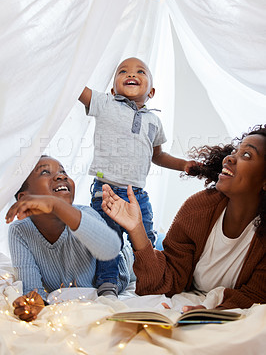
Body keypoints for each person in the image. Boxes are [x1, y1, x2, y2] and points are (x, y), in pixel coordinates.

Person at [101, 124, 266, 310]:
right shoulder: (198, 208)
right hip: (188, 306)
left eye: (246, 155)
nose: (230, 158)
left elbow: (257, 297)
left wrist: (213, 310)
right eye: (235, 151)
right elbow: (165, 282)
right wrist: (136, 229)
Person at [79, 57, 198, 297]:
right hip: (106, 190)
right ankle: (107, 283)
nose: (131, 74)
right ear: (113, 89)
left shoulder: (154, 121)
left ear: (151, 91)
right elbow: (77, 88)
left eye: (140, 71)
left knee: (146, 237)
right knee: (109, 240)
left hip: (137, 194)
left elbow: (159, 156)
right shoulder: (105, 104)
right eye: (122, 71)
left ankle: (153, 279)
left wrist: (184, 164)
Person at [6, 155, 130, 321]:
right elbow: (33, 288)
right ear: (24, 198)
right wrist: (34, 303)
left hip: (122, 265)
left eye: (63, 171)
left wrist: (56, 205)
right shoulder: (19, 231)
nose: (61, 176)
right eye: (45, 172)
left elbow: (112, 249)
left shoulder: (86, 214)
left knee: (150, 251)